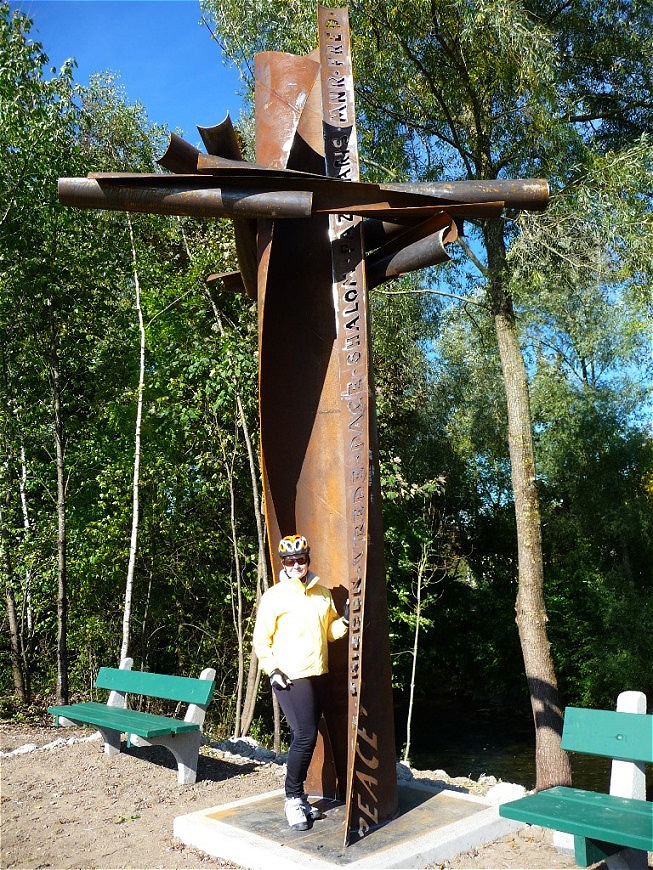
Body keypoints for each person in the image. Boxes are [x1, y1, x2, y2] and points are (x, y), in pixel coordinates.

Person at [253, 533, 349, 831]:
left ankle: (303, 799)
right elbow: (261, 639)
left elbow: (328, 633)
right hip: (290, 676)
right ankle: (293, 799)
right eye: (290, 561)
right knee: (305, 735)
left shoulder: (322, 594)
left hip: (318, 673)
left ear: (308, 560)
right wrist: (271, 669)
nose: (296, 565)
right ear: (283, 563)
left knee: (308, 736)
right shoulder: (275, 596)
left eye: (301, 560)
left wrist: (345, 620)